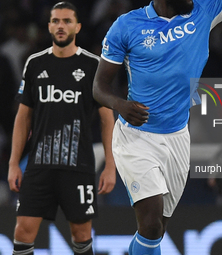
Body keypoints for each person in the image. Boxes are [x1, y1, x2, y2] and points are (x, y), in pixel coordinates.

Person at [93, 0, 222, 254]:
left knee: (155, 232)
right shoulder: (127, 26)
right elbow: (99, 86)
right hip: (137, 137)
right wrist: (119, 104)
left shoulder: (204, 10)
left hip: (178, 137)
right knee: (151, 225)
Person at [7, 2, 116, 255]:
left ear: (77, 26)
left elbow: (107, 120)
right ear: (48, 26)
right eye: (55, 21)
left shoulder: (92, 66)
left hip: (78, 166)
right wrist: (14, 163)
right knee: (23, 230)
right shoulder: (34, 64)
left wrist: (110, 165)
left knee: (81, 234)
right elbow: (23, 118)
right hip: (39, 164)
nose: (60, 26)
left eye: (67, 21)